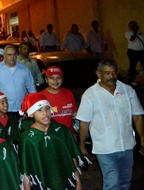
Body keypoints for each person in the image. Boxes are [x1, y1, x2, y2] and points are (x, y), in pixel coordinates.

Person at [77, 59, 144, 190]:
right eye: (107, 73)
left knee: (125, 182)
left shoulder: (127, 90)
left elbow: (137, 116)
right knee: (112, 183)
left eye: (114, 73)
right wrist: (82, 145)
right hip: (104, 149)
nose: (111, 77)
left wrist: (142, 138)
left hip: (127, 145)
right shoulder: (90, 95)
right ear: (98, 74)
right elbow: (84, 123)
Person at [19, 93, 84, 190]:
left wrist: (78, 184)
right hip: (42, 185)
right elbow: (26, 168)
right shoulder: (27, 139)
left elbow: (72, 158)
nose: (45, 113)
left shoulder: (62, 131)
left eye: (47, 109)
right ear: (31, 114)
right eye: (39, 110)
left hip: (65, 181)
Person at [0, 45, 36, 114]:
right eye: (9, 55)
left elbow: (31, 87)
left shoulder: (24, 68)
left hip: (22, 108)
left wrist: (34, 104)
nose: (12, 57)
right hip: (3, 110)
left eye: (14, 54)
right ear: (4, 56)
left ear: (17, 55)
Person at [41, 66, 78, 134]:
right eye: (51, 78)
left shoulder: (68, 93)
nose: (55, 81)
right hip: (51, 136)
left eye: (58, 78)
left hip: (69, 135)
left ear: (62, 80)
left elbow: (74, 113)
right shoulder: (41, 96)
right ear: (46, 80)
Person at [125, 21, 144, 85]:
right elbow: (132, 39)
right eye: (131, 26)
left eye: (134, 25)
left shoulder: (140, 33)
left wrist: (138, 32)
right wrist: (135, 31)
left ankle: (142, 73)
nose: (132, 27)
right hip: (132, 52)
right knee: (132, 66)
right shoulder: (128, 33)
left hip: (141, 51)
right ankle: (131, 80)